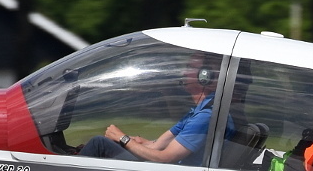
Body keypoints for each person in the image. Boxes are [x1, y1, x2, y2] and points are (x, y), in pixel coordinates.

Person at [78, 52, 225, 165]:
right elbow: (156, 146)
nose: (184, 73)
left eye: (190, 67)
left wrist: (121, 138)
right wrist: (131, 141)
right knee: (103, 145)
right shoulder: (199, 111)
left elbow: (164, 158)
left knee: (99, 144)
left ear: (205, 76)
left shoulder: (206, 116)